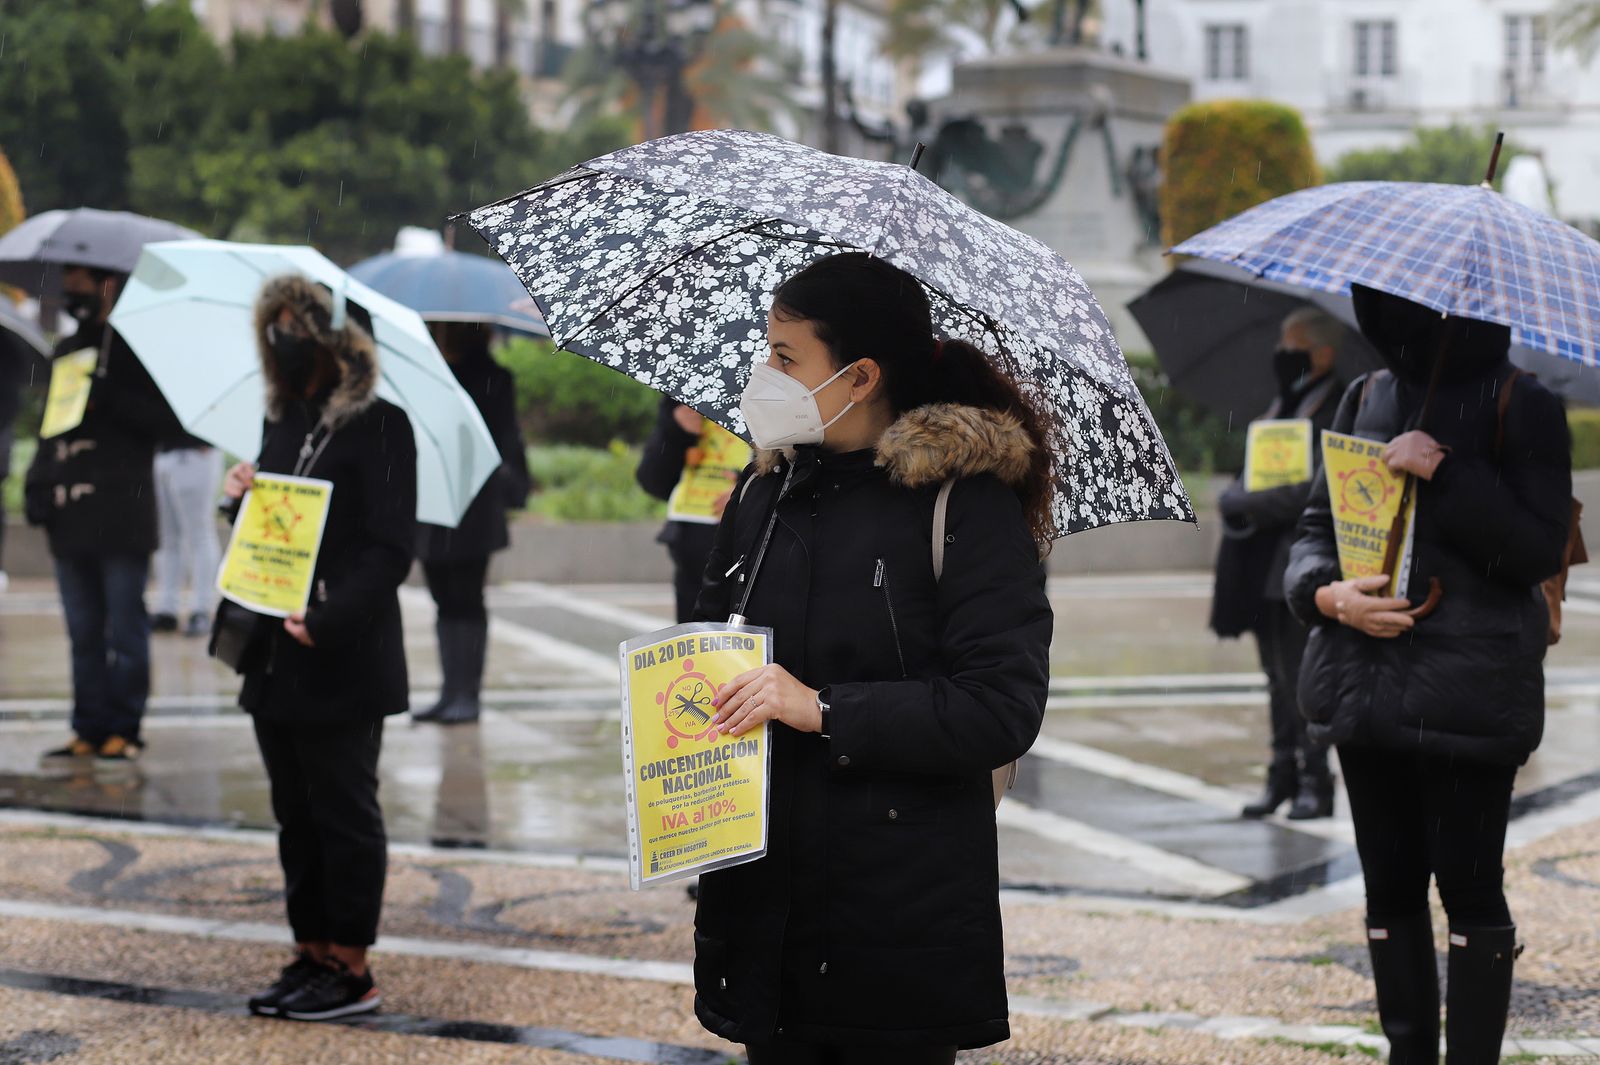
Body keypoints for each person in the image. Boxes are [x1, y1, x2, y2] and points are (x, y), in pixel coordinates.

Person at [690, 253, 1054, 1063]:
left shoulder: (964, 503)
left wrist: (822, 708)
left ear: (857, 377)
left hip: (894, 921)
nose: (762, 375)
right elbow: (710, 650)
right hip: (764, 911)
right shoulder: (763, 493)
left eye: (785, 358)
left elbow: (999, 704)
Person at [1284, 285, 1572, 1064]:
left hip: (1469, 697)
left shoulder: (1525, 403)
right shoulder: (1367, 392)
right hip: (1362, 684)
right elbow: (1317, 523)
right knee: (1389, 886)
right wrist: (1326, 595)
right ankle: (1407, 1052)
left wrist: (1445, 468)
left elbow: (1536, 549)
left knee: (1470, 890)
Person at [221, 275, 416, 1022]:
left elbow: (393, 547)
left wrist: (328, 612)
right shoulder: (286, 418)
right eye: (274, 322)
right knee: (293, 809)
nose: (285, 334)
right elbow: (270, 529)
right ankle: (310, 950)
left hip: (341, 653)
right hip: (272, 652)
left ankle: (351, 965)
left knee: (342, 810)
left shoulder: (381, 426)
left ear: (340, 337)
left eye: (299, 321)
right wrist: (240, 496)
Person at [25, 266, 182, 766]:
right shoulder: (66, 351)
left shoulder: (135, 351)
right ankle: (87, 726)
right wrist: (39, 484)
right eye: (67, 285)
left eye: (83, 284)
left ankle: (124, 727)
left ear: (108, 285)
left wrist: (110, 394)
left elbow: (167, 424)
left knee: (125, 630)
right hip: (70, 516)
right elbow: (50, 429)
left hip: (121, 515)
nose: (74, 294)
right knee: (83, 631)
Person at [1211, 307, 1345, 820]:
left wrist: (1247, 502)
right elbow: (1259, 473)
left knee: (1302, 678)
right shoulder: (1283, 404)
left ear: (1322, 352)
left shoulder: (1337, 405)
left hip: (1304, 562)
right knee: (1274, 676)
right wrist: (1239, 492)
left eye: (1293, 347)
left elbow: (1315, 488)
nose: (1281, 357)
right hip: (1261, 562)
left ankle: (1316, 780)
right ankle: (1282, 774)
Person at [411, 321, 529, 726]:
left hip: (474, 503)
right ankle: (449, 692)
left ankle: (467, 694)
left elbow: (503, 440)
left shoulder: (492, 377)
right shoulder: (425, 374)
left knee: (466, 599)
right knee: (443, 600)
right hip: (432, 500)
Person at [636, 395, 742, 623]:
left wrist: (749, 491)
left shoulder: (774, 393)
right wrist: (675, 430)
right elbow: (652, 480)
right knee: (695, 645)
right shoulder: (686, 396)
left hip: (750, 551)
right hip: (695, 553)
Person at [151, 433, 224, 638]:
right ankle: (167, 608)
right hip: (162, 451)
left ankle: (201, 608)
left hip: (195, 450)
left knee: (199, 534)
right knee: (165, 538)